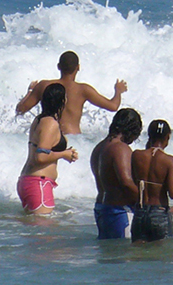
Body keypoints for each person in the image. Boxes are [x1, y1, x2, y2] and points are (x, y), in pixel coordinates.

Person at [16, 51, 128, 134]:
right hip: (74, 139)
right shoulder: (83, 90)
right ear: (78, 67)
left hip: (49, 135)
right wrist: (118, 91)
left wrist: (30, 91)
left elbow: (21, 109)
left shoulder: (44, 86)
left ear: (58, 67)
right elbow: (113, 106)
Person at [17, 83, 79, 214]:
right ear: (63, 101)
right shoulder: (50, 123)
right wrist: (64, 154)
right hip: (38, 183)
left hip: (29, 180)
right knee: (45, 231)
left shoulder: (39, 120)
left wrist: (64, 153)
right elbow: (41, 156)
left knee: (33, 229)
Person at [130, 120, 173, 243]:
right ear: (167, 137)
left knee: (138, 253)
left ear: (149, 135)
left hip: (140, 211)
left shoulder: (136, 155)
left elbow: (135, 181)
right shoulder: (169, 160)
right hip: (159, 211)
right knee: (163, 255)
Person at [90, 108, 142, 239]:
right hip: (119, 211)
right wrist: (145, 201)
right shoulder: (120, 148)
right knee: (125, 255)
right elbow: (126, 182)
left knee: (109, 255)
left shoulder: (99, 147)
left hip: (102, 208)